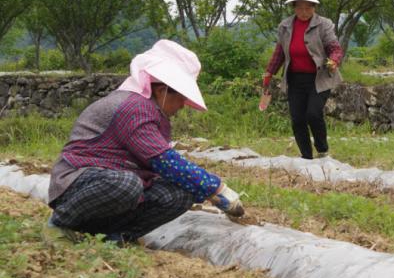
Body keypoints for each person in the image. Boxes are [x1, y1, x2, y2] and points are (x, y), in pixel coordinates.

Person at [44, 40, 244, 245]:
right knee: (126, 184)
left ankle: (117, 236)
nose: (183, 105)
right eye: (181, 97)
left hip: (113, 188)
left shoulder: (152, 111)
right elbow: (164, 161)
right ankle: (59, 224)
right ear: (162, 90)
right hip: (80, 180)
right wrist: (214, 188)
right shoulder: (135, 108)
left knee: (182, 192)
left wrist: (201, 188)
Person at [263, 0, 344, 160]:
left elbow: (334, 48)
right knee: (297, 119)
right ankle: (306, 156)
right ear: (294, 7)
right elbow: (280, 52)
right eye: (300, 8)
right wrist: (269, 72)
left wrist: (334, 60)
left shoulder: (324, 24)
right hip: (295, 79)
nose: (304, 12)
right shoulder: (285, 26)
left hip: (319, 78)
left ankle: (322, 150)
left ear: (314, 8)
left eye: (308, 8)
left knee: (313, 114)